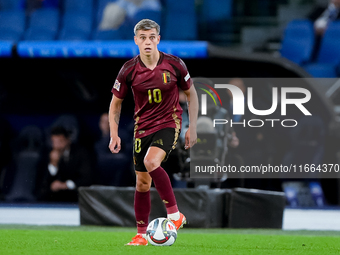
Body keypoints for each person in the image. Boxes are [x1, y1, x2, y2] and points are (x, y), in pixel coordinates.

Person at [108, 19, 198, 246]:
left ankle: (175, 215)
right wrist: (114, 133)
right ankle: (140, 235)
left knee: (151, 162)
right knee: (142, 184)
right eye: (143, 38)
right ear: (136, 40)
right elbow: (115, 104)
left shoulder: (175, 64)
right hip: (142, 127)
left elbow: (192, 94)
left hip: (169, 122)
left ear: (158, 39)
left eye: (151, 37)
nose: (147, 42)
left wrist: (192, 127)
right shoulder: (128, 69)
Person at [38, 126, 93, 202]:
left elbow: (86, 178)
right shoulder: (47, 154)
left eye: (60, 141)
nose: (57, 146)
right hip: (54, 197)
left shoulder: (81, 153)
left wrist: (65, 185)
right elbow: (44, 183)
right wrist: (53, 164)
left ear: (68, 140)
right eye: (54, 142)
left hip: (75, 195)